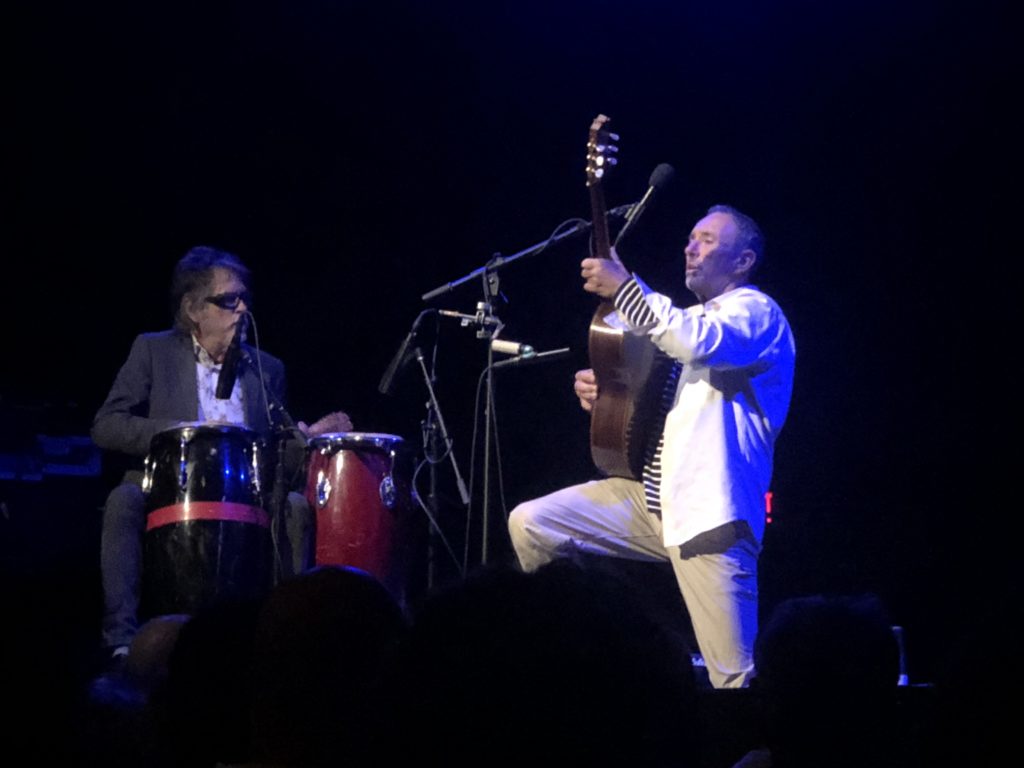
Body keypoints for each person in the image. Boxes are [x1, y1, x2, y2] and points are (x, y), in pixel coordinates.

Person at [508, 204, 796, 689]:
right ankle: (579, 648)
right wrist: (607, 395)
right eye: (689, 238)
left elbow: (696, 342)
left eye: (705, 239)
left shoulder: (755, 311)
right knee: (533, 522)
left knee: (735, 681)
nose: (690, 247)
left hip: (711, 515)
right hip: (655, 500)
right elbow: (662, 396)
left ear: (743, 260)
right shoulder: (688, 320)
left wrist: (625, 288)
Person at [90, 245, 352, 668]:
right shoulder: (153, 351)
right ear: (194, 308)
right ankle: (121, 640)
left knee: (297, 506)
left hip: (242, 494)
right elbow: (106, 425)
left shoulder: (266, 368)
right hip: (168, 487)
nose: (243, 309)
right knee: (124, 501)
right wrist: (177, 433)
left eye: (244, 299)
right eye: (229, 300)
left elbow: (278, 456)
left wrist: (307, 436)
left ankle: (290, 635)